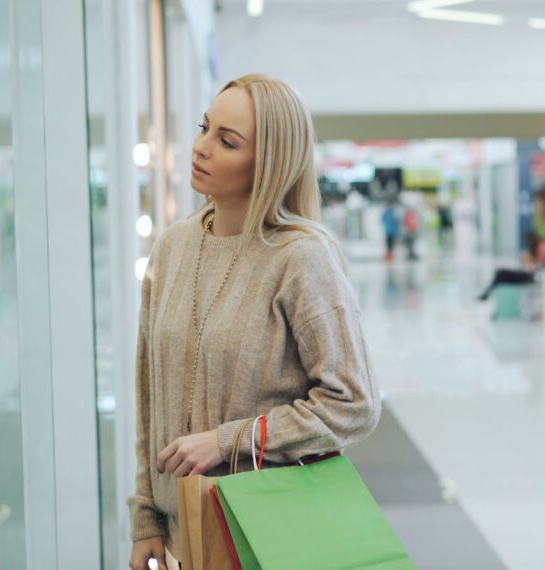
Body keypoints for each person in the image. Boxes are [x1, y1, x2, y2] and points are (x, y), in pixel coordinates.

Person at [128, 74, 381, 570]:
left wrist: (228, 440)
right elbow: (148, 394)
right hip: (187, 535)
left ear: (269, 162)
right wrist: (146, 519)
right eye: (205, 128)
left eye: (227, 141)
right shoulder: (173, 248)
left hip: (268, 529)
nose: (201, 148)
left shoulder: (301, 258)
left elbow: (354, 403)